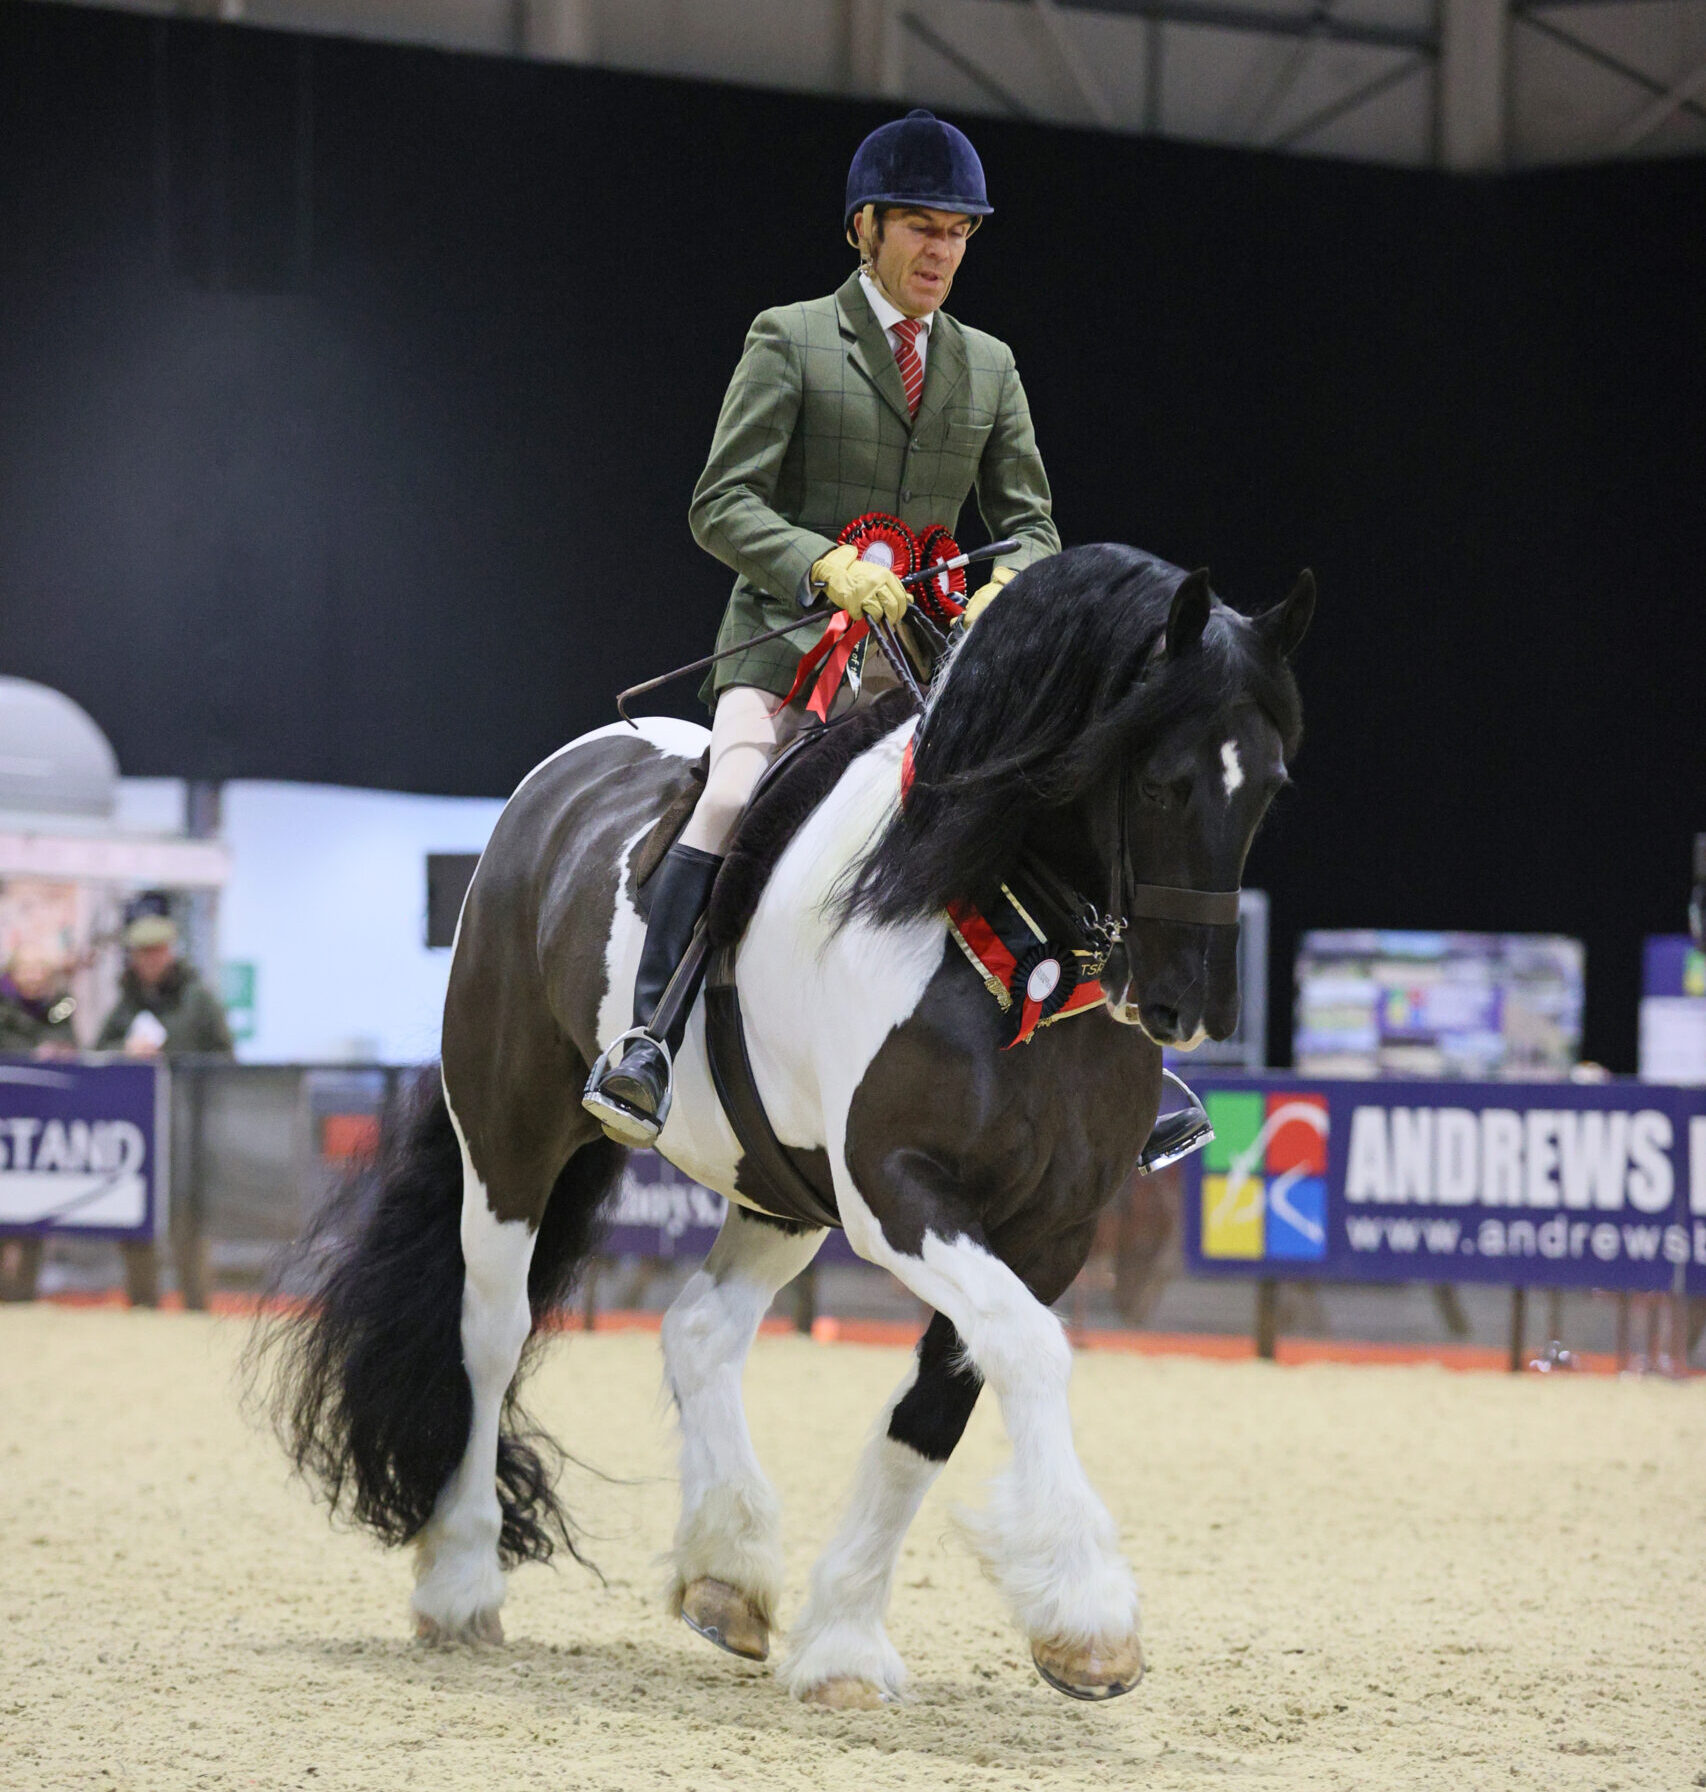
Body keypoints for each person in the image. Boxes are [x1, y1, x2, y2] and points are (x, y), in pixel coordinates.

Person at [583, 108, 1061, 1146]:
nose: (941, 252)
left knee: (1031, 810)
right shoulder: (790, 337)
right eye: (921, 229)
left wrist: (1003, 584)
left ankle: (1088, 1054)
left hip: (919, 666)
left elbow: (1030, 523)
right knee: (733, 793)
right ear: (865, 229)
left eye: (958, 234)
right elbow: (720, 501)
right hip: (785, 649)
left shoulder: (989, 366)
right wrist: (821, 562)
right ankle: (646, 1038)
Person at [94, 894, 235, 1058]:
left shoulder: (198, 1000)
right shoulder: (127, 1002)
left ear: (169, 952)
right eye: (143, 952)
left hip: (187, 1083)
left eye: (157, 951)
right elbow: (98, 1053)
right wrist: (125, 1051)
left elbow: (225, 1058)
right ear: (133, 956)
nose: (151, 960)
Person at [0, 954, 78, 1059]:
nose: (32, 978)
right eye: (25, 971)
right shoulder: (4, 1008)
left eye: (38, 970)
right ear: (12, 975)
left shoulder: (61, 1004)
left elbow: (68, 1040)